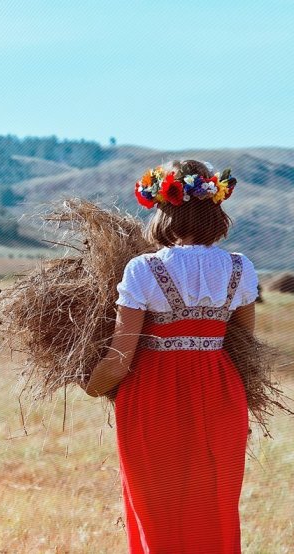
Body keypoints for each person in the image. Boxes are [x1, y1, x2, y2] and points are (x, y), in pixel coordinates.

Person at [84, 159, 259, 553]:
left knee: (157, 508)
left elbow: (120, 357)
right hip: (221, 395)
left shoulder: (142, 269)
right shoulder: (241, 268)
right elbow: (246, 346)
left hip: (154, 396)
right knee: (214, 506)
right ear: (215, 207)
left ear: (163, 210)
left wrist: (92, 386)